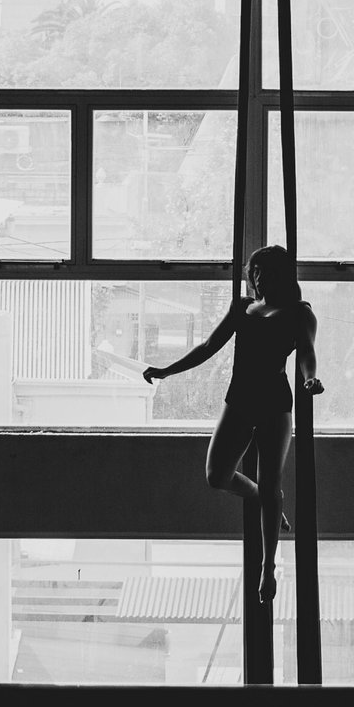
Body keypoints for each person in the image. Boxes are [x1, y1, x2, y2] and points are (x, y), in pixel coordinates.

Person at [142, 245, 323, 604]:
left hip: (275, 404)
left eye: (265, 271)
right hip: (240, 398)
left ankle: (267, 566)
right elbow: (209, 346)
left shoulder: (299, 314)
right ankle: (262, 497)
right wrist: (165, 371)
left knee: (273, 483)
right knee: (217, 475)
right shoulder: (243, 307)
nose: (258, 278)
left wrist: (310, 379)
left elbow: (306, 353)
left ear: (281, 275)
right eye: (254, 271)